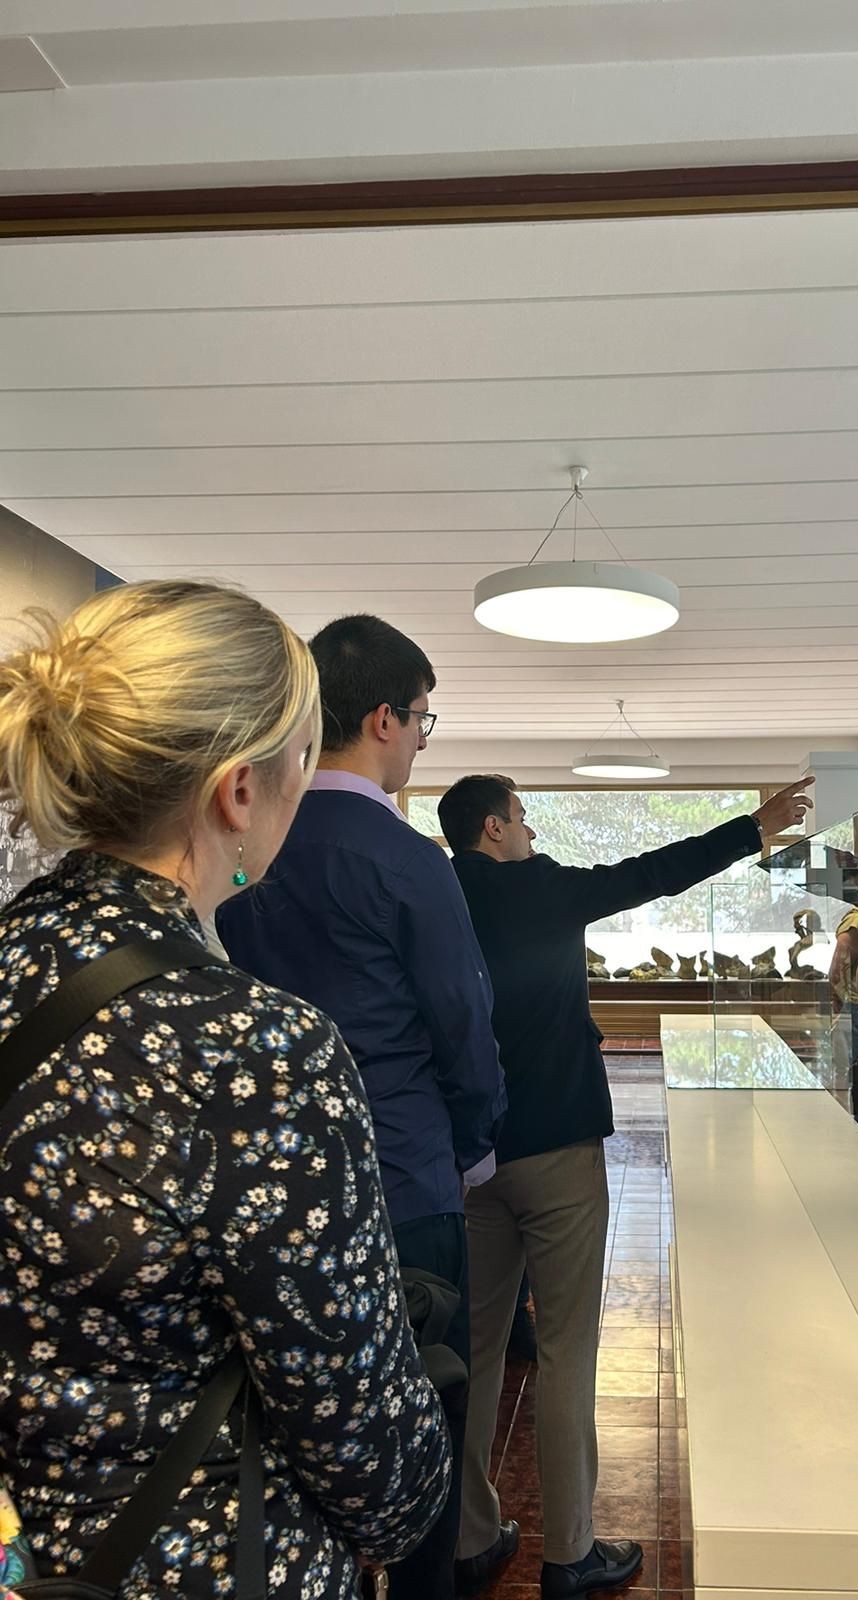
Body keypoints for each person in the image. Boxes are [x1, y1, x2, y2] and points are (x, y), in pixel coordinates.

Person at [0, 581, 450, 1599]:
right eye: (301, 761)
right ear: (239, 792)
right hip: (204, 1560)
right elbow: (371, 1457)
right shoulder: (257, 1050)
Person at [438, 774, 813, 1599]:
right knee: (569, 1348)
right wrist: (754, 826)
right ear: (495, 827)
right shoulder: (540, 889)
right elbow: (653, 871)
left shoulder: (434, 892)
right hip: (559, 1148)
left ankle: (469, 1539)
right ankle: (568, 1553)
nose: (532, 831)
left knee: (475, 1347)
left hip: (465, 1156)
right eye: (525, 818)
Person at [218, 614, 509, 1600]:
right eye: (425, 718)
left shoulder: (242, 838)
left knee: (289, 1429)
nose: (424, 738)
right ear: (385, 717)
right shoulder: (408, 858)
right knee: (424, 1428)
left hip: (259, 1195)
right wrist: (470, 1142)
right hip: (402, 1179)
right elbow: (465, 1027)